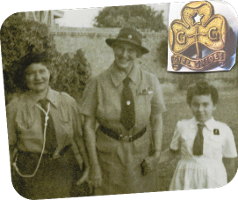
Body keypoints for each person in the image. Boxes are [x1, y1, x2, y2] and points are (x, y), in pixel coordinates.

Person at [80, 27, 167, 196]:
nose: (124, 54)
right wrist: (94, 166)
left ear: (138, 55)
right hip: (108, 157)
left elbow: (156, 119)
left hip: (142, 156)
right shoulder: (97, 83)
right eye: (120, 48)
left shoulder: (150, 81)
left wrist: (156, 153)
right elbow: (88, 126)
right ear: (113, 49)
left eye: (131, 50)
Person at [6, 52, 89, 199]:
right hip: (31, 173)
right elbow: (10, 145)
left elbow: (79, 138)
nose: (38, 78)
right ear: (24, 78)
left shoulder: (67, 102)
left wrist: (88, 166)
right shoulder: (15, 107)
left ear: (49, 73)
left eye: (42, 71)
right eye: (30, 73)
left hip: (66, 168)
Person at [159, 81, 237, 191]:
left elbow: (230, 162)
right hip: (186, 177)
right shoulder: (182, 126)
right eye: (195, 105)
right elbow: (173, 151)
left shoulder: (224, 130)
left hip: (213, 178)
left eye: (205, 104)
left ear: (214, 105)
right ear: (190, 105)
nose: (200, 109)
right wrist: (153, 161)